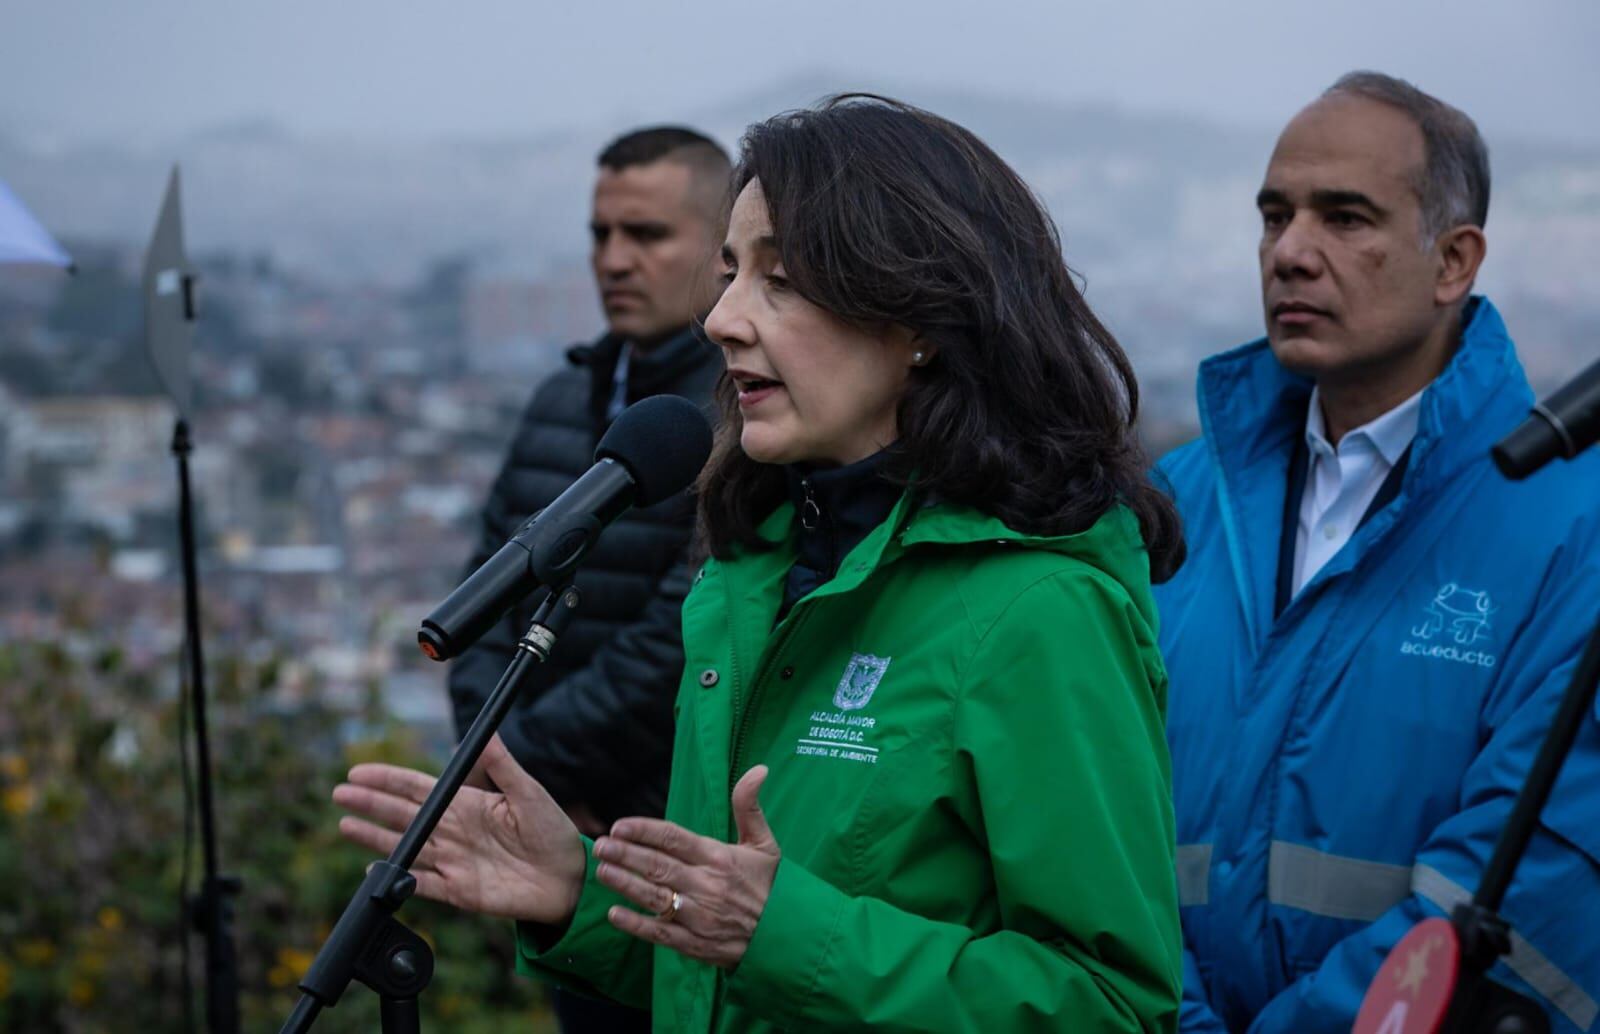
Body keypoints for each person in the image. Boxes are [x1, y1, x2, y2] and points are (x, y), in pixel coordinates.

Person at [338, 95, 1186, 1032]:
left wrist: (783, 932)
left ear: (924, 320)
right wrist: (574, 891)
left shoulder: (1043, 607)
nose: (722, 318)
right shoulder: (750, 575)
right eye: (731, 273)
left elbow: (1113, 1008)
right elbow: (725, 964)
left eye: (781, 282)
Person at [1153, 72, 1600, 1032]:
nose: (1292, 253)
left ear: (1454, 261)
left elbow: (1534, 873)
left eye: (1346, 218)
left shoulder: (1575, 526)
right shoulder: (1174, 506)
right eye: (1275, 217)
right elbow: (1100, 812)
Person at [446, 125, 729, 1032]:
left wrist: (519, 764)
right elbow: (483, 604)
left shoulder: (737, 416)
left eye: (646, 235)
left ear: (721, 250)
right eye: (600, 235)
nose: (614, 260)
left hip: (665, 848)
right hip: (552, 845)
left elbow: (679, 640)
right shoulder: (558, 401)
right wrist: (508, 776)